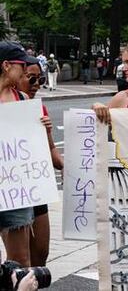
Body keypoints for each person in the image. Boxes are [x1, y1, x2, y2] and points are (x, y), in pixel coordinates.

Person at [0, 41, 44, 265]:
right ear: (6, 65)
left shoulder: (23, 99)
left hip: (15, 188)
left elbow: (31, 146)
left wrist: (40, 128)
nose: (26, 72)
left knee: (21, 260)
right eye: (21, 66)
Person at [17, 60, 63, 266]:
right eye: (31, 78)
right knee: (20, 260)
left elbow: (52, 151)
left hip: (35, 189)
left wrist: (77, 168)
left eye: (41, 79)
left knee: (40, 254)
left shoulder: (39, 108)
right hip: (11, 192)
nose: (37, 84)